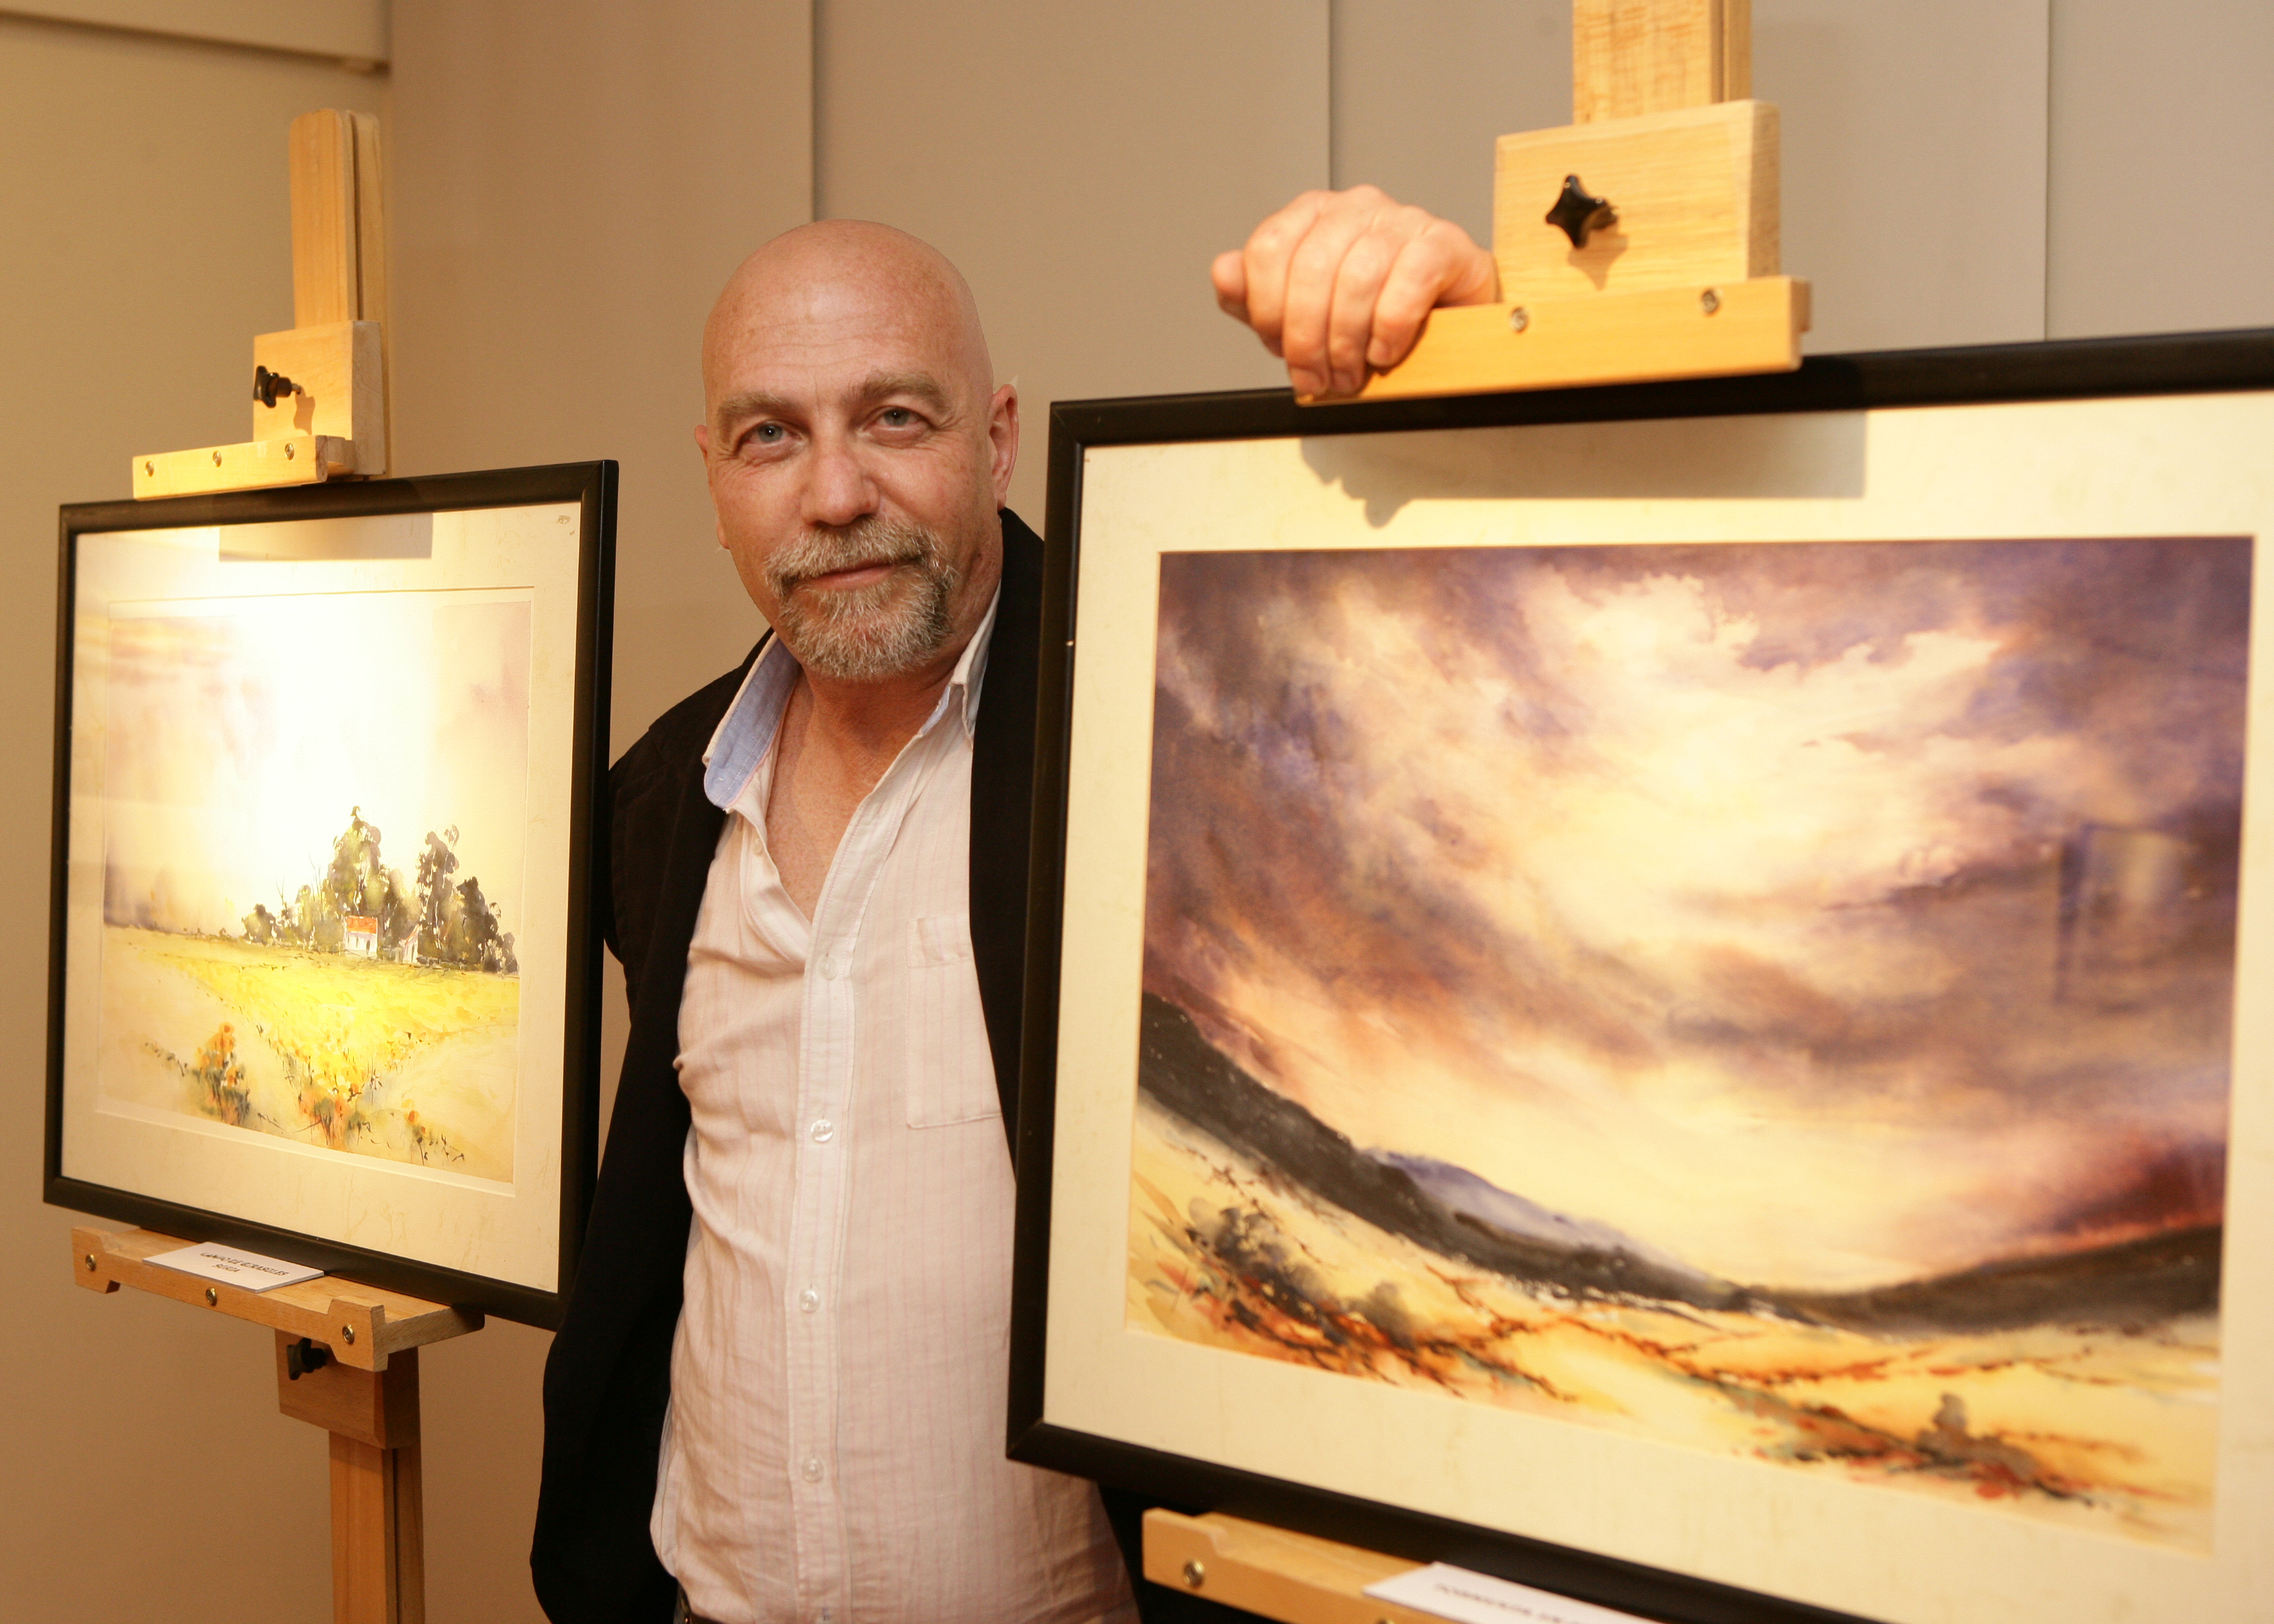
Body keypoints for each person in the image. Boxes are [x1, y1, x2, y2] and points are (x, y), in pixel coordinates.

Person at [530, 189, 1498, 1624]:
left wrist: (1481, 343)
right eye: (771, 435)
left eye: (894, 419)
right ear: (713, 471)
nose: (835, 494)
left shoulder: (1165, 744)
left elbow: (1450, 697)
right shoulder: (667, 795)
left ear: (996, 438)